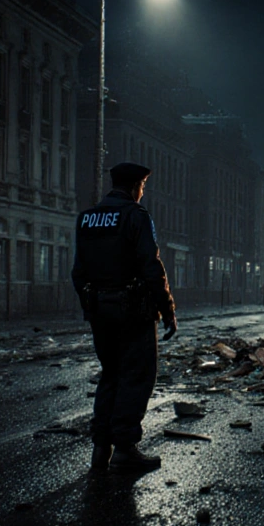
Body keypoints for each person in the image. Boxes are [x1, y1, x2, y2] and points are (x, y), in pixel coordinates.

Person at [71, 161, 177, 473]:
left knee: (111, 375)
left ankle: (101, 447)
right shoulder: (136, 215)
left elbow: (78, 272)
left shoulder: (87, 219)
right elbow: (151, 267)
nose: (142, 193)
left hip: (100, 314)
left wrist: (92, 305)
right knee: (136, 376)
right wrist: (167, 309)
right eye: (142, 187)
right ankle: (125, 447)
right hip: (133, 314)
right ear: (134, 187)